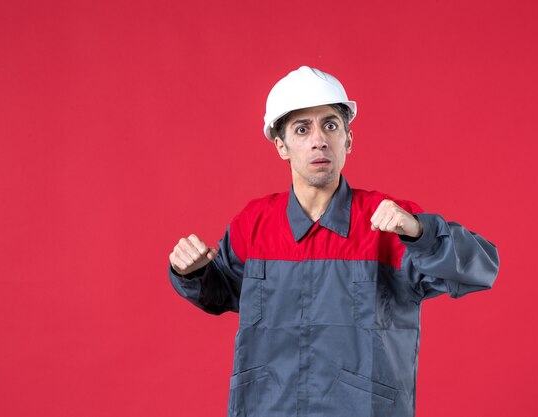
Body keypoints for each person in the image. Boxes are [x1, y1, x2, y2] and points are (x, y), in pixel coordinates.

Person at [168, 66, 499, 417]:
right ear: (282, 146)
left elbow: (481, 270)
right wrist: (192, 273)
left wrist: (419, 232)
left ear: (348, 139)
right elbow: (220, 294)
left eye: (330, 125)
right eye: (301, 129)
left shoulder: (389, 221)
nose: (318, 139)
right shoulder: (254, 224)